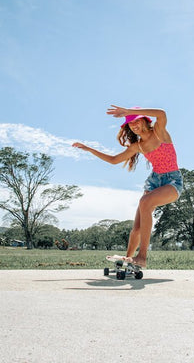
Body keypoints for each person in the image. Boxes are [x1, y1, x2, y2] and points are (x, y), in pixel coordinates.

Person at [72, 106, 183, 268]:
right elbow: (114, 160)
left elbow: (162, 114)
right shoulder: (138, 146)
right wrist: (89, 149)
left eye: (136, 121)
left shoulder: (159, 132)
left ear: (145, 120)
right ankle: (128, 259)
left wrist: (128, 112)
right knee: (137, 227)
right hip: (153, 182)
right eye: (130, 124)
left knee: (145, 202)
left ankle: (142, 257)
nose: (133, 125)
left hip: (172, 182)